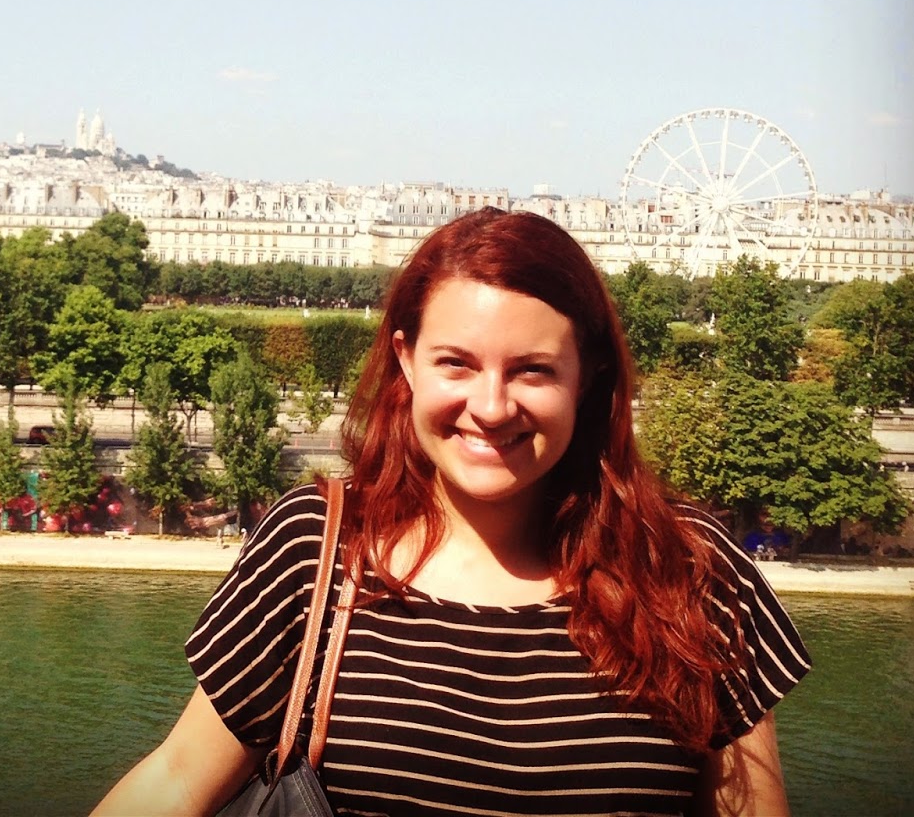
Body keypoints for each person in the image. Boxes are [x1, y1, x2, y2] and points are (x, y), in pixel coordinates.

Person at [94, 209, 810, 817]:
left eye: (532, 369)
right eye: (457, 364)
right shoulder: (315, 548)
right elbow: (178, 780)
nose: (491, 407)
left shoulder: (692, 568)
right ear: (407, 361)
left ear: (588, 376)